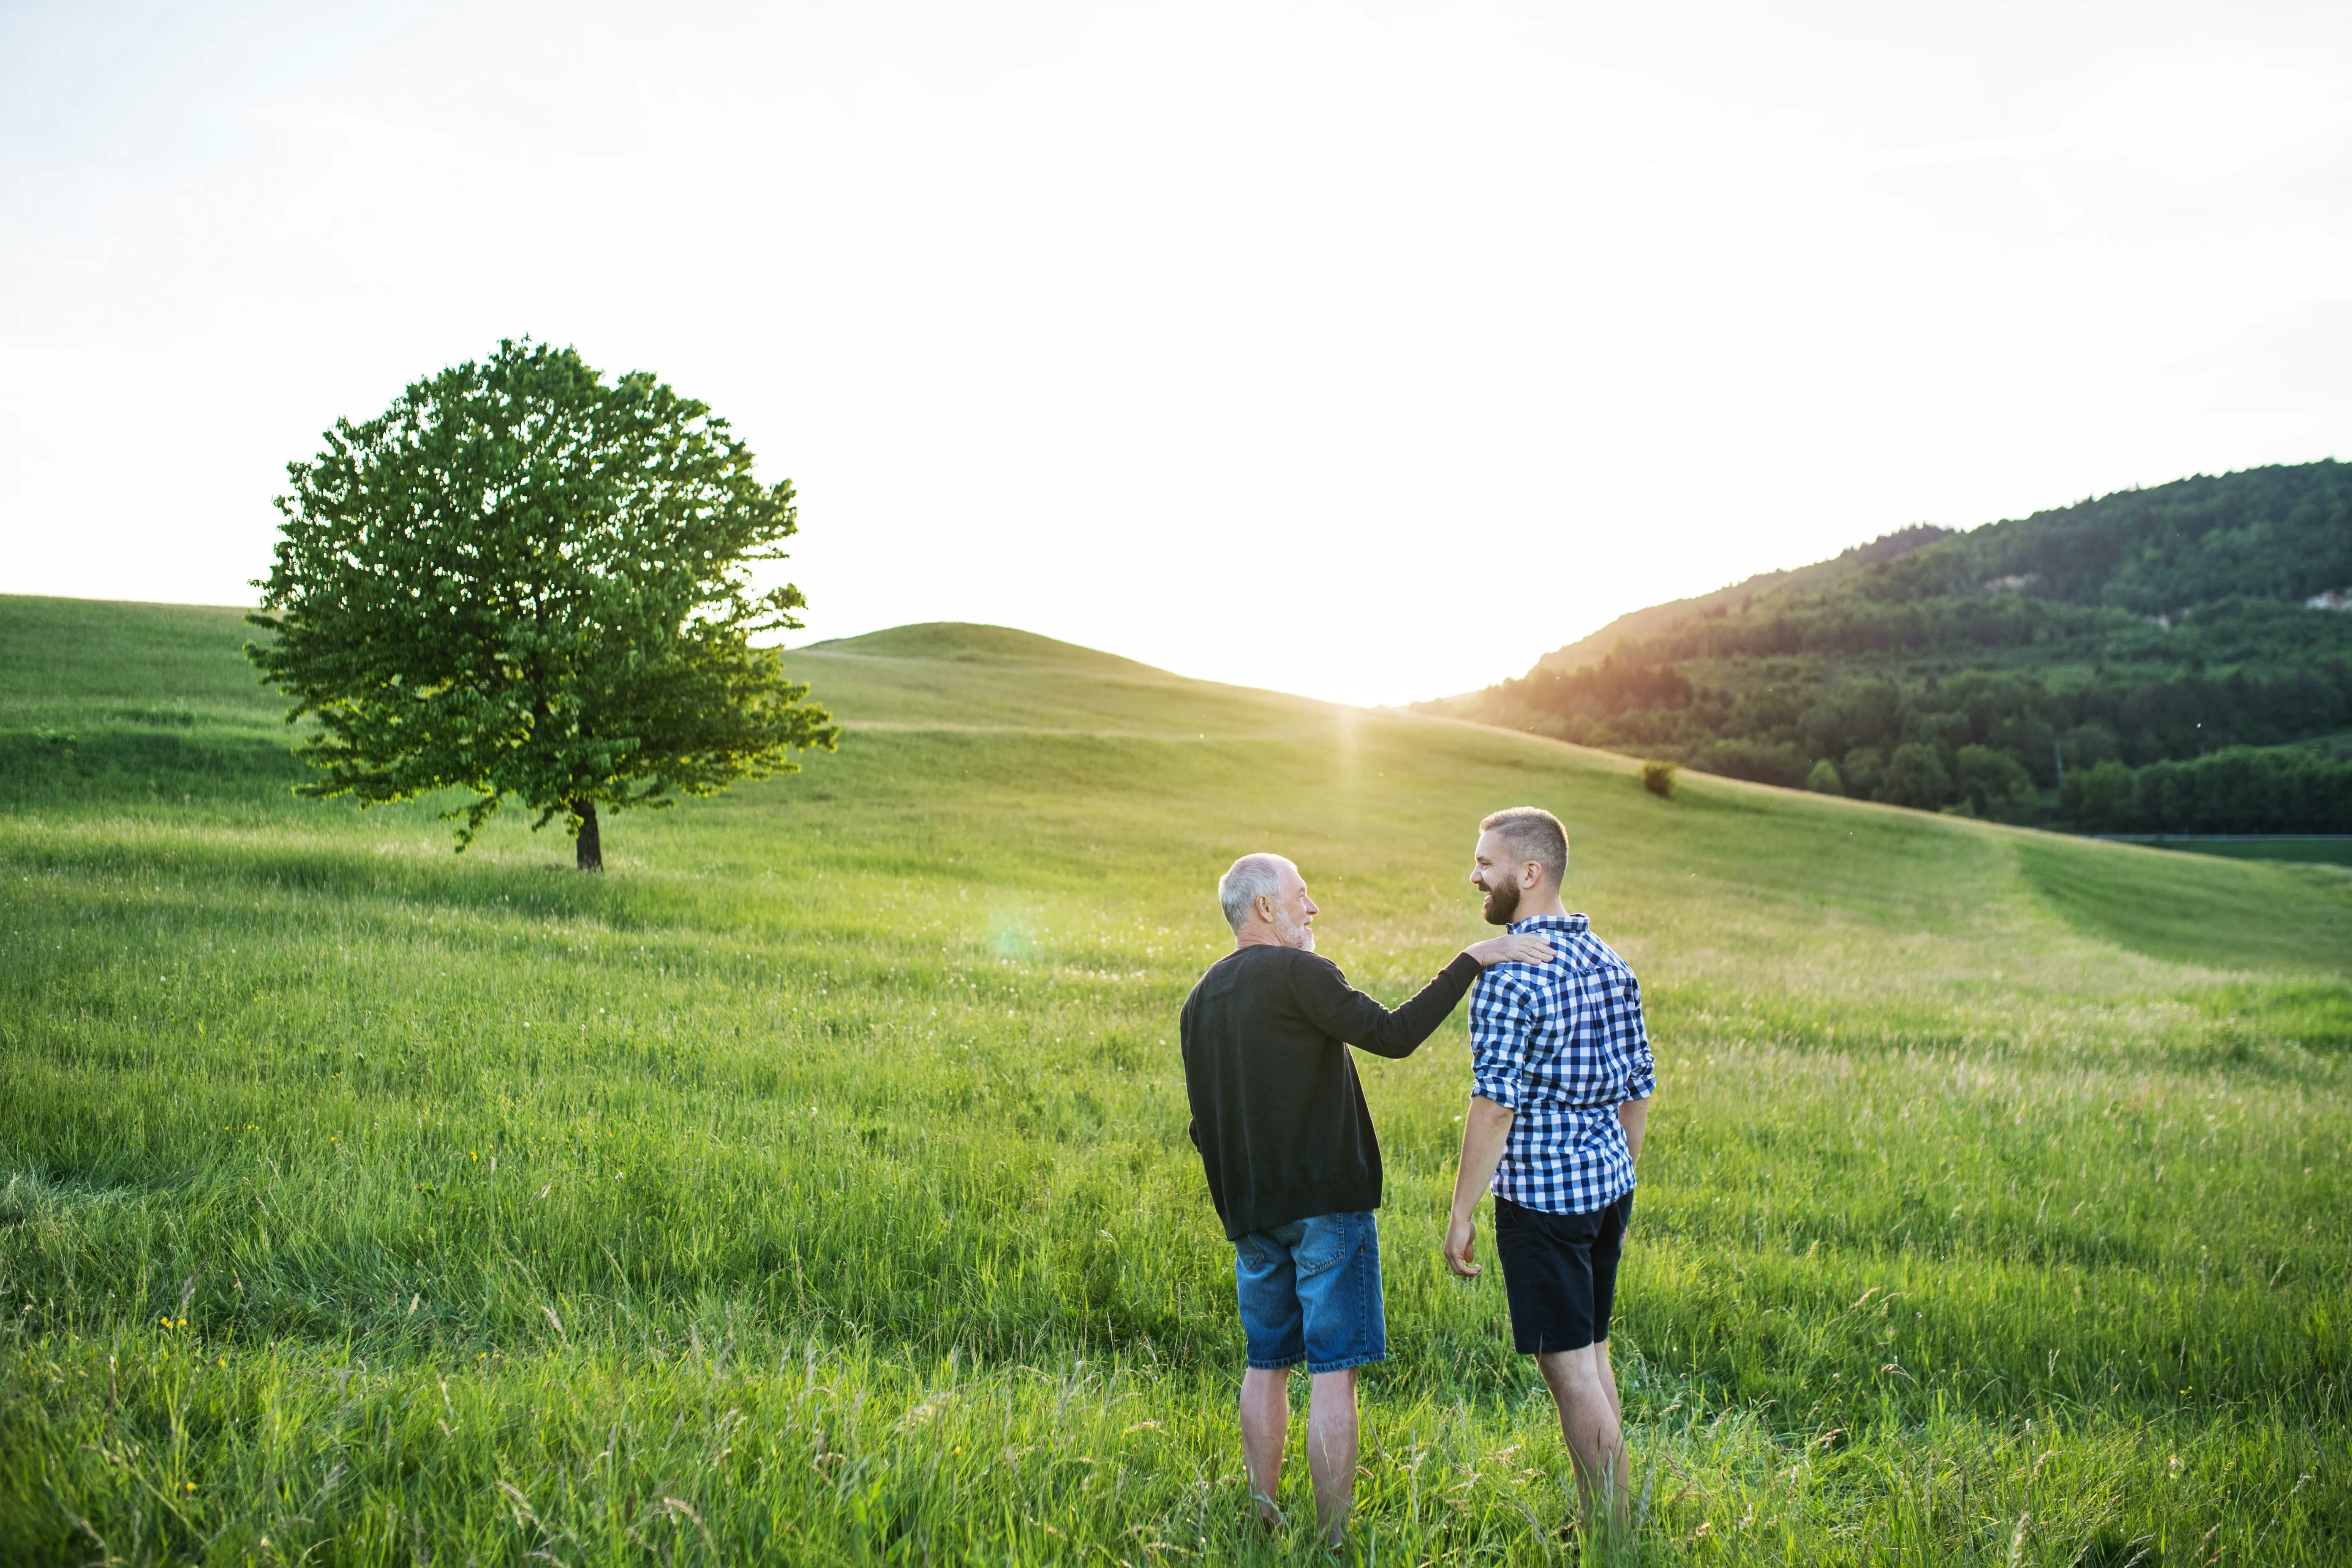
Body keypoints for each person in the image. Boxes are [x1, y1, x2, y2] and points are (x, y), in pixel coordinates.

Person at [1180, 851, 1553, 1547]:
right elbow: (1394, 1035)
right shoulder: (1300, 973)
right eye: (1302, 895)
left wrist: (1243, 1194)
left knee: (1267, 1363)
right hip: (1327, 1207)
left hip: (1252, 1219)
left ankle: (1262, 1518)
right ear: (1266, 908)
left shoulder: (1199, 1001)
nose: (1312, 908)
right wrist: (1472, 960)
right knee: (1333, 1374)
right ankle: (1332, 1540)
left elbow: (1205, 1126)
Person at [1443, 807, 1655, 1538]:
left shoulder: (1511, 975)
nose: (1474, 875)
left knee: (1567, 1372)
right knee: (1591, 1353)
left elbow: (1494, 1107)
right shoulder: (1611, 962)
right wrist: (1617, 1175)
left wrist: (1462, 1212)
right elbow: (1639, 1087)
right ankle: (1615, 1514)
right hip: (1605, 1191)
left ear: (1528, 875)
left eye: (1485, 864)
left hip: (1542, 1201)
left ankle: (1614, 1535)